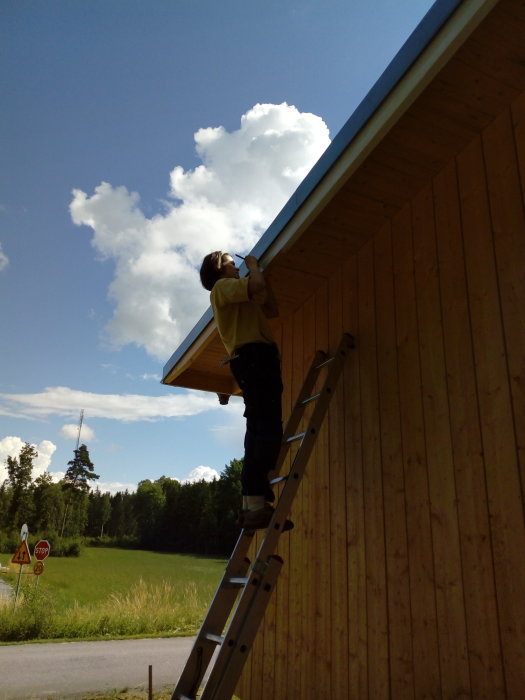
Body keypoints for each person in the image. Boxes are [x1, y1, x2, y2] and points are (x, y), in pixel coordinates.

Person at [200, 251, 291, 530]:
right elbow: (257, 285)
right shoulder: (221, 288)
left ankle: (254, 502)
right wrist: (253, 266)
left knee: (264, 428)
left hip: (256, 358)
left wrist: (258, 277)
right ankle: (254, 502)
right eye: (231, 263)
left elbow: (270, 307)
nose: (236, 267)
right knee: (264, 427)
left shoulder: (236, 294)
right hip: (254, 357)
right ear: (219, 268)